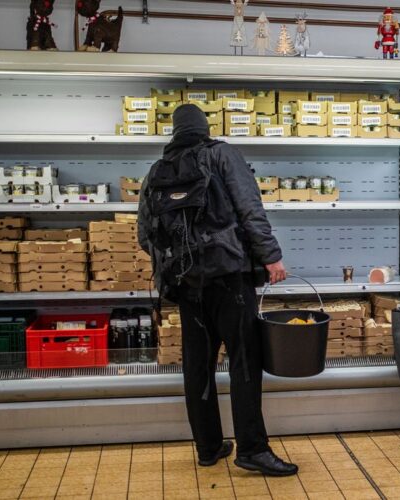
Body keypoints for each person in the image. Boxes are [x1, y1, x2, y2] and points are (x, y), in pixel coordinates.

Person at [138, 104, 298, 476]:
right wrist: (271, 257)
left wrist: (180, 262)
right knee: (244, 361)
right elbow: (250, 209)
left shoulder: (156, 171)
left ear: (174, 131)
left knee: (197, 366)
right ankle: (252, 449)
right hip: (229, 278)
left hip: (185, 285)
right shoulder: (222, 154)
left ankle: (208, 447)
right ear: (204, 126)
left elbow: (144, 234)